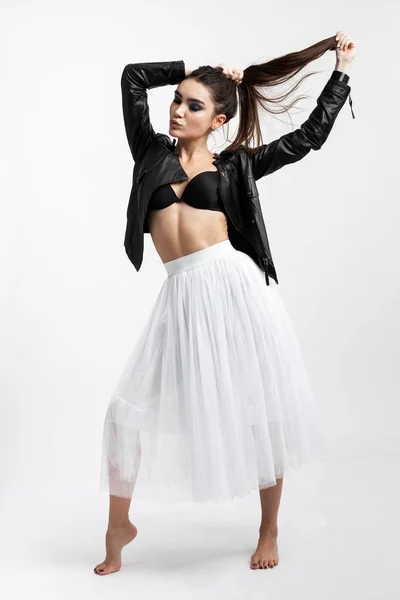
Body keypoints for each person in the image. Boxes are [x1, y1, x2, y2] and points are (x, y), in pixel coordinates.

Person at [94, 30, 357, 576]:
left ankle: (268, 527)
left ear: (218, 121)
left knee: (261, 410)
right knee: (125, 413)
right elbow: (132, 78)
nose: (177, 109)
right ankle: (119, 525)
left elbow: (307, 138)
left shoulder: (236, 166)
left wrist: (341, 75)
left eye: (194, 104)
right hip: (182, 296)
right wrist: (198, 69)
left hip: (236, 291)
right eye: (177, 99)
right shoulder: (150, 152)